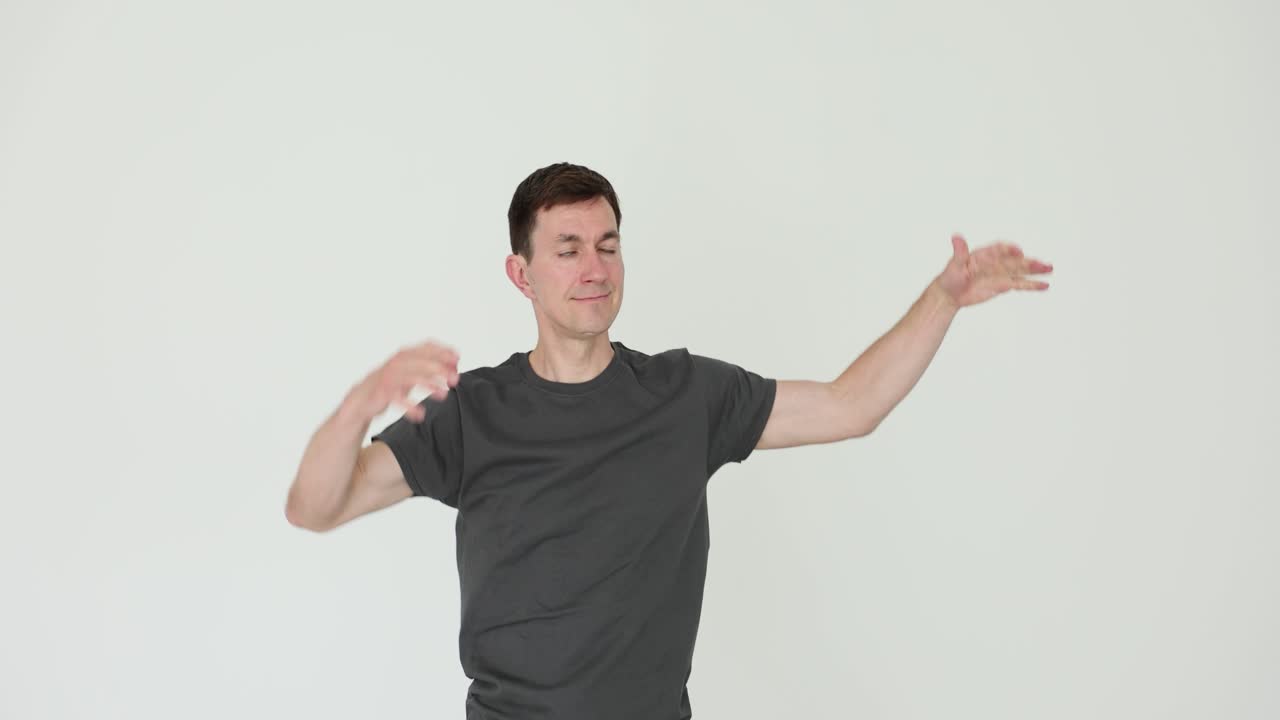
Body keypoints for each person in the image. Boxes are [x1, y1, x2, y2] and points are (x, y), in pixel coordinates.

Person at [284, 162, 1053, 719]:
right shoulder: (473, 413)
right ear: (522, 274)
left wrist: (942, 299)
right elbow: (315, 508)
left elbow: (852, 406)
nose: (594, 267)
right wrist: (358, 406)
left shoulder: (687, 395)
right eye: (569, 248)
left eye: (608, 245)